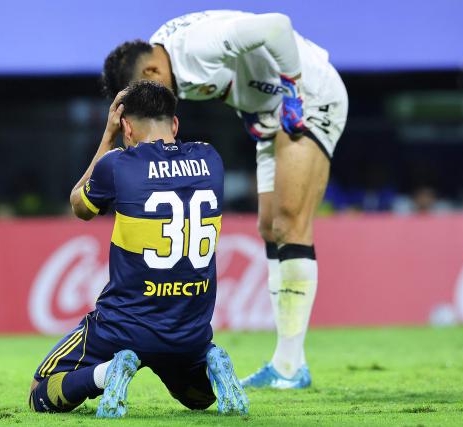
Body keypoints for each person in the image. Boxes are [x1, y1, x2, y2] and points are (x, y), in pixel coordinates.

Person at [102, 10, 349, 389]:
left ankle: (290, 366)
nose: (151, 105)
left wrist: (292, 88)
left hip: (310, 98)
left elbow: (276, 26)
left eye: (146, 95)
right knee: (269, 227)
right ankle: (287, 361)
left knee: (288, 222)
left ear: (151, 73)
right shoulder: (163, 57)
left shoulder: (197, 46)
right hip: (269, 115)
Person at [29, 80, 248, 418]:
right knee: (198, 400)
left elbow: (79, 206)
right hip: (189, 331)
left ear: (127, 126)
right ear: (174, 124)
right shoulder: (211, 158)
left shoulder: (117, 164)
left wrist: (107, 137)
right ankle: (211, 362)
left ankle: (107, 373)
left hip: (123, 326)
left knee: (40, 392)